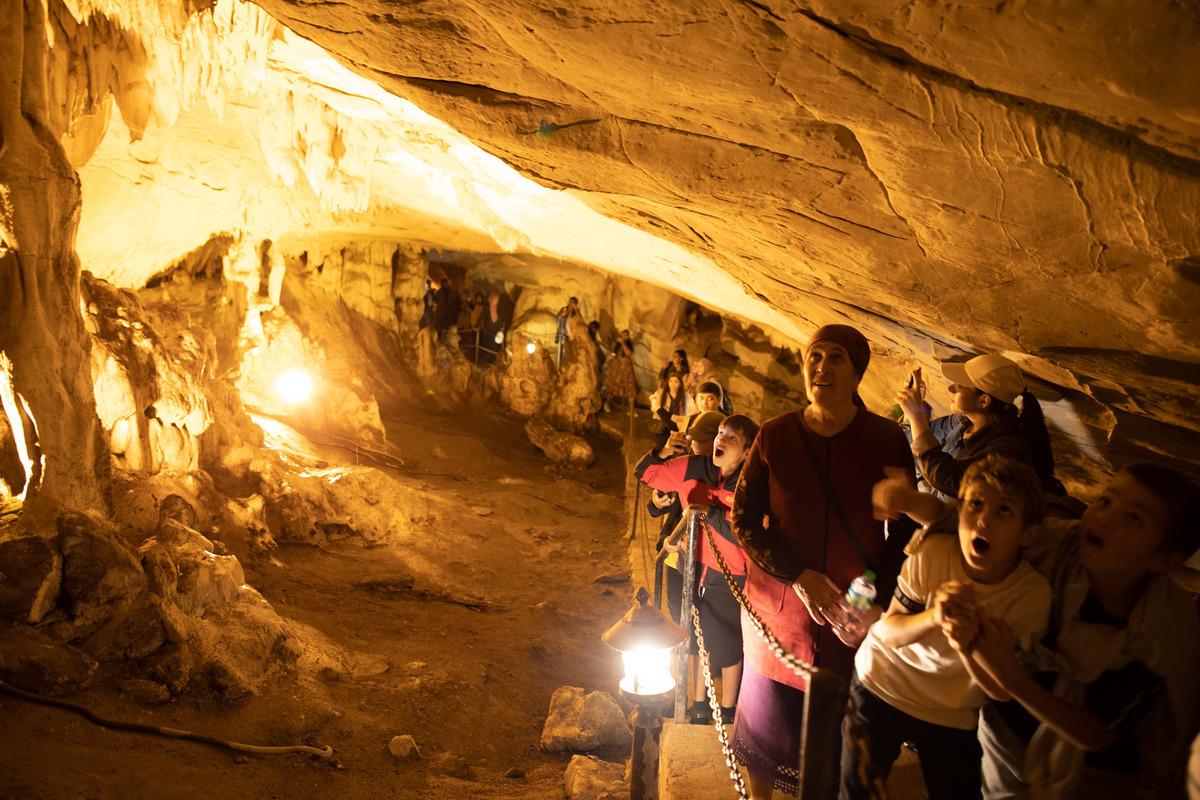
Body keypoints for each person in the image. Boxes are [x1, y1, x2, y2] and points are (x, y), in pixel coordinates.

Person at [730, 324, 917, 799]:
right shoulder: (774, 436)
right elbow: (744, 518)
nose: (822, 367)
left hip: (847, 622)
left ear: (857, 374)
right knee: (765, 733)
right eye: (815, 356)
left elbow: (902, 533)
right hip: (776, 617)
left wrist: (872, 593)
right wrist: (799, 575)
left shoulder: (886, 441)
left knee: (834, 746)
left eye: (837, 358)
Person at [955, 464, 1200, 800]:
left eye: (1134, 518)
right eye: (1105, 501)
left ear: (1163, 561)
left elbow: (1096, 736)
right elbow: (980, 525)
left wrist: (1008, 675)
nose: (1106, 518)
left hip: (1095, 773)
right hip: (1007, 739)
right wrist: (912, 503)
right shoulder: (1056, 544)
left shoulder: (1160, 629)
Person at [842, 455, 1052, 800]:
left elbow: (1000, 691)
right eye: (976, 505)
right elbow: (888, 631)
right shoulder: (936, 553)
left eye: (1004, 511)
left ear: (1028, 534)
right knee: (856, 792)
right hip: (883, 681)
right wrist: (934, 616)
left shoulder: (1031, 596)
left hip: (951, 711)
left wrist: (971, 643)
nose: (983, 520)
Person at [636, 412, 760, 726]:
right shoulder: (695, 467)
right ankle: (699, 703)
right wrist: (663, 451)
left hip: (730, 574)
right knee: (693, 638)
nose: (722, 440)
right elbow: (646, 472)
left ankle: (729, 709)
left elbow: (749, 529)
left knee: (727, 641)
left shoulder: (753, 482)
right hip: (691, 567)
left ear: (747, 451)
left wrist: (710, 509)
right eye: (720, 433)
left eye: (732, 437)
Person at [898, 355, 1065, 500]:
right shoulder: (962, 423)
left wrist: (917, 417)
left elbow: (953, 481)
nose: (950, 388)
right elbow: (914, 437)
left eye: (960, 386)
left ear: (983, 401)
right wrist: (915, 409)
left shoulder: (1007, 449)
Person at [650, 373, 694, 440]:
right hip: (663, 422)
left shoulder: (685, 396)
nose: (673, 384)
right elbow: (653, 408)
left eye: (676, 381)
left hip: (677, 424)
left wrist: (682, 419)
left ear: (680, 384)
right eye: (671, 381)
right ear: (668, 382)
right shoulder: (661, 393)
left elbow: (690, 410)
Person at [602, 331, 637, 409]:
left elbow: (629, 353)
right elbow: (613, 354)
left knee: (630, 389)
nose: (624, 337)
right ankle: (606, 403)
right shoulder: (617, 345)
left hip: (628, 369)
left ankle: (631, 409)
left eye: (626, 335)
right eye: (623, 335)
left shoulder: (628, 344)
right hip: (618, 369)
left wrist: (623, 343)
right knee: (612, 386)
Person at [477, 292, 506, 366]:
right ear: (491, 299)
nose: (497, 301)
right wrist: (478, 326)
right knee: (487, 346)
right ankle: (486, 362)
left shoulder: (500, 308)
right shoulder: (487, 308)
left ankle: (492, 362)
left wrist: (502, 329)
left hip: (496, 332)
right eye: (495, 299)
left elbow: (503, 319)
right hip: (487, 331)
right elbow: (482, 318)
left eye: (497, 299)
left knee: (494, 347)